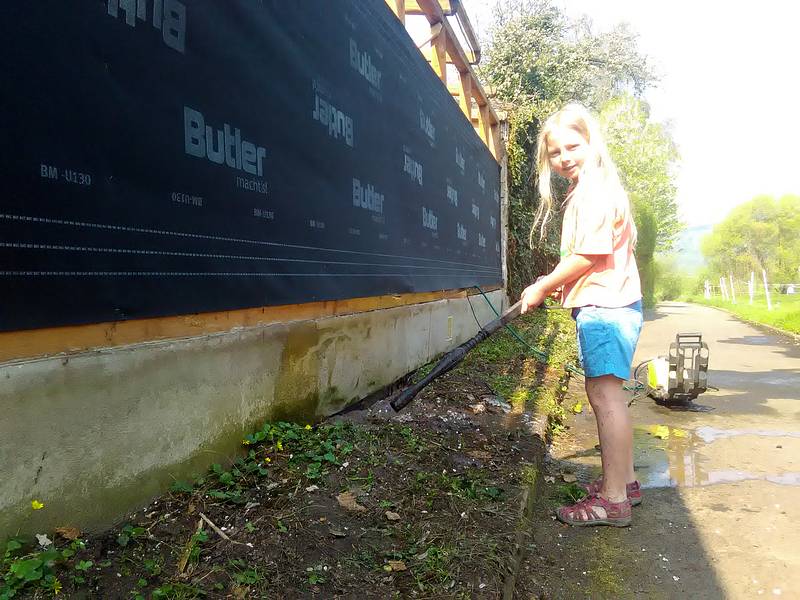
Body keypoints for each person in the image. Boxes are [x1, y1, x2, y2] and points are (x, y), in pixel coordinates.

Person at [519, 103, 643, 527]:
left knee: (605, 398)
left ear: (592, 143)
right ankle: (624, 484)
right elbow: (591, 258)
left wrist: (543, 284)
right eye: (555, 152)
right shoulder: (594, 188)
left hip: (607, 309)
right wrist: (567, 287)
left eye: (573, 146)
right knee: (610, 396)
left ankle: (613, 502)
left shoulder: (595, 191)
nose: (565, 157)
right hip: (611, 303)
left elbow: (590, 253)